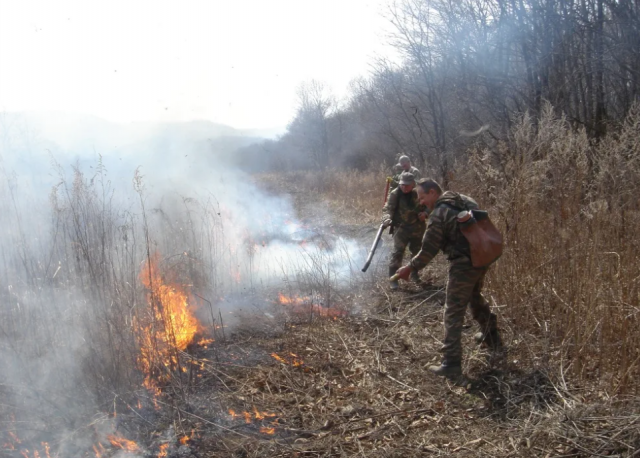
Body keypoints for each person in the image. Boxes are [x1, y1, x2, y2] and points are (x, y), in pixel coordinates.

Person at [394, 178, 503, 381]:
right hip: (483, 256)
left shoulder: (439, 213)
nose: (420, 201)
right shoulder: (464, 199)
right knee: (474, 296)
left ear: (434, 192)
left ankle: (451, 363)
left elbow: (428, 249)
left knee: (453, 310)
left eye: (423, 196)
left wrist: (410, 267)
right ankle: (492, 336)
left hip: (463, 263)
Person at [382, 172, 428, 291]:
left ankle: (414, 274)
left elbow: (431, 204)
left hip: (417, 227)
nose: (404, 187)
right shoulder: (395, 194)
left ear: (413, 184)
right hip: (401, 228)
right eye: (402, 184)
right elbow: (387, 208)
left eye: (407, 185)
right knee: (397, 252)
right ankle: (393, 279)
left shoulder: (419, 193)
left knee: (417, 251)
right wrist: (387, 218)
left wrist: (426, 213)